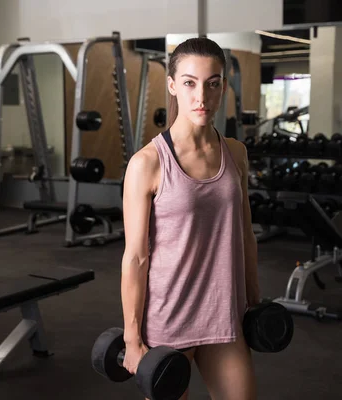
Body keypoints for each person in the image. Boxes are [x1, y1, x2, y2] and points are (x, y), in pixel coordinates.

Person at [120, 37, 259, 400]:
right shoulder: (147, 163)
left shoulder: (236, 153)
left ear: (222, 87)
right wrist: (132, 339)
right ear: (172, 85)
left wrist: (256, 304)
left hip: (224, 317)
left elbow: (245, 235)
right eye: (189, 83)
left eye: (212, 84)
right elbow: (135, 257)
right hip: (167, 321)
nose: (202, 96)